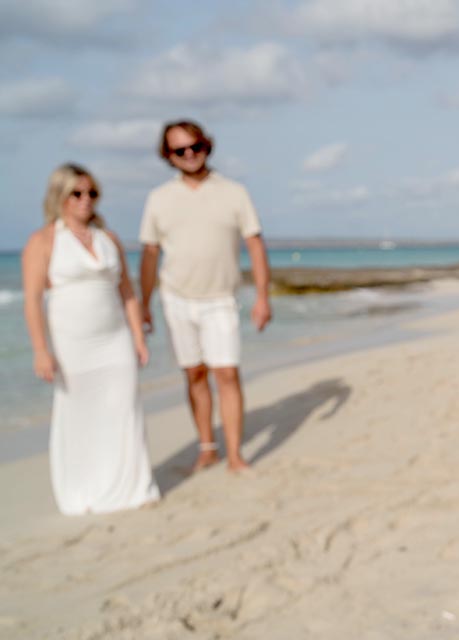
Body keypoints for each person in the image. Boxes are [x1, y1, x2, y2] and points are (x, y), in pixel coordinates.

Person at [22, 164, 159, 515]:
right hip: (73, 346)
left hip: (115, 341)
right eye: (77, 193)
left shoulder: (108, 238)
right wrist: (40, 350)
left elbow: (127, 292)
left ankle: (135, 489)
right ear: (60, 197)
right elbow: (33, 300)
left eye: (92, 193)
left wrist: (138, 337)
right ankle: (86, 492)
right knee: (80, 416)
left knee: (125, 411)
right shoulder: (43, 241)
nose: (86, 200)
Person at [139, 120, 272, 473]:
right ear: (168, 155)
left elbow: (255, 244)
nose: (189, 155)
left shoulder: (234, 192)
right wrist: (144, 305)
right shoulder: (158, 199)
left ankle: (235, 455)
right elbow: (150, 255)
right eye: (179, 150)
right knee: (195, 374)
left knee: (226, 373)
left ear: (206, 146)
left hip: (221, 299)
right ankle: (207, 447)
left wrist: (263, 296)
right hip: (176, 299)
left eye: (194, 146)